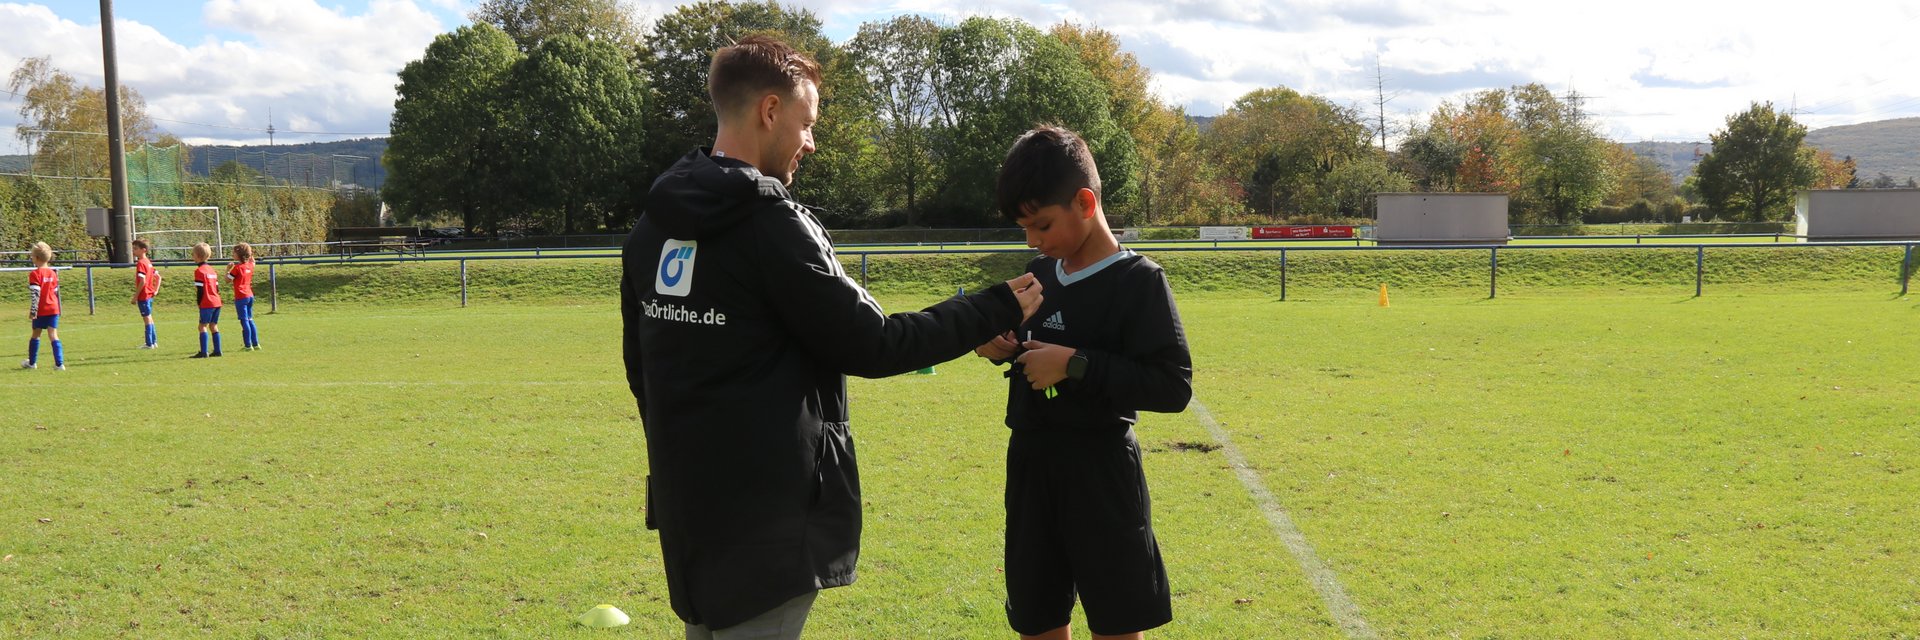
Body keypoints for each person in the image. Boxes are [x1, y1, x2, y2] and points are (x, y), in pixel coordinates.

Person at [620, 35, 1044, 640]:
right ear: (770, 111)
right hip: (770, 523)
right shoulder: (771, 225)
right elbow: (875, 344)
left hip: (692, 512)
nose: (810, 142)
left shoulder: (651, 226)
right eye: (807, 122)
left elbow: (643, 372)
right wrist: (994, 306)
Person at [974, 126, 1194, 640]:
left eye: (1042, 224)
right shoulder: (1037, 274)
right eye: (1025, 228)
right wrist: (997, 345)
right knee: (1038, 619)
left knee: (1117, 623)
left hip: (1101, 471)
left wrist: (1074, 364)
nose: (1033, 240)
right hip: (1031, 464)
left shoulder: (1139, 281)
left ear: (1085, 202)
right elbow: (1027, 348)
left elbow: (1173, 385)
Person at [21, 242, 65, 370]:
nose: (31, 258)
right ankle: (59, 364)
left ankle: (32, 363)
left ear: (37, 258)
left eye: (32, 256)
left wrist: (33, 310)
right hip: (53, 308)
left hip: (41, 309)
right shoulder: (53, 273)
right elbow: (55, 292)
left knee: (36, 334)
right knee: (53, 335)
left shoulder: (35, 274)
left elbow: (36, 294)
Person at [188, 243, 223, 358]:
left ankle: (204, 352)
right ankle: (217, 350)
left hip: (207, 302)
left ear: (197, 256)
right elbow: (217, 288)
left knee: (202, 326)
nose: (192, 256)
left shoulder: (199, 271)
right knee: (213, 325)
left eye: (193, 254)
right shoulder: (212, 270)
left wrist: (199, 303)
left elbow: (200, 290)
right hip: (217, 301)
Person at [228, 243, 260, 351]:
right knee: (250, 319)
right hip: (250, 295)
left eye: (234, 252)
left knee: (244, 321)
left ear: (239, 254)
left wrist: (228, 269)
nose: (233, 254)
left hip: (241, 296)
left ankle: (248, 345)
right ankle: (256, 343)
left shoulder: (237, 268)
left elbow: (227, 280)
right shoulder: (250, 266)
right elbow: (253, 261)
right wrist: (250, 253)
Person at [132, 238, 162, 349]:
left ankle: (149, 343)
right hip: (149, 295)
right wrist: (156, 290)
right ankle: (154, 342)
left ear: (143, 250)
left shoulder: (141, 263)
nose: (133, 251)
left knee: (147, 318)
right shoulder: (148, 263)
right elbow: (158, 277)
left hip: (144, 295)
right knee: (149, 317)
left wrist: (135, 296)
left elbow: (142, 281)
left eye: (136, 249)